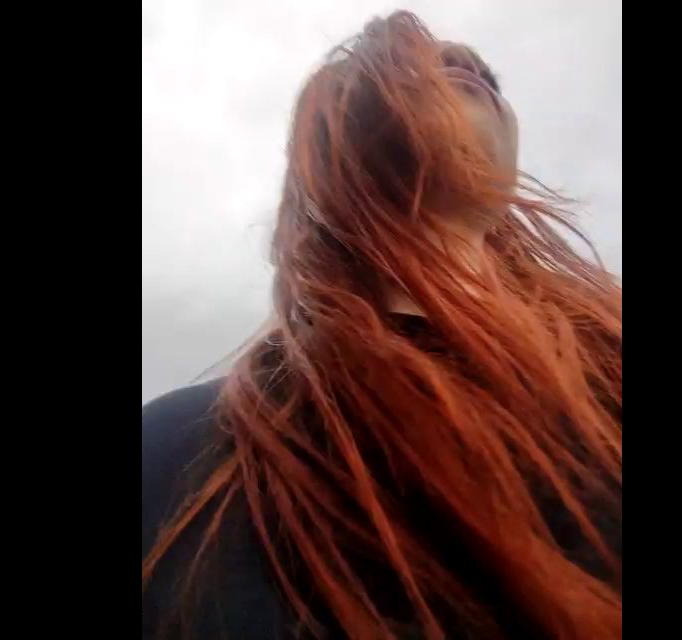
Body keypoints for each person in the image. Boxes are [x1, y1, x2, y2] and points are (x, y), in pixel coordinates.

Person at [142, 11, 622, 640]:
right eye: (405, 64)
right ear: (322, 156)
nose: (466, 65)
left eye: (481, 72)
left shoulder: (608, 385)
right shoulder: (180, 453)